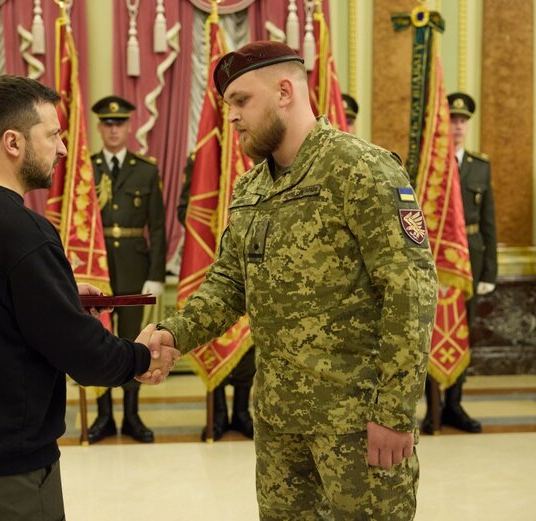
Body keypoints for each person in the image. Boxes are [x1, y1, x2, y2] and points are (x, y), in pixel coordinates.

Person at [150, 41, 438, 519]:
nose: (233, 117)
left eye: (242, 101)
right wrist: (172, 334)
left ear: (285, 90)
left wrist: (393, 412)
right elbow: (228, 284)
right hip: (280, 421)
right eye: (229, 106)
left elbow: (410, 291)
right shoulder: (251, 187)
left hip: (356, 421)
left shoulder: (359, 168)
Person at [0, 75, 179, 521]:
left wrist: (59, 294)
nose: (63, 149)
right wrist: (139, 356)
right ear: (13, 142)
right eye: (52, 135)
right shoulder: (23, 231)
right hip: (4, 462)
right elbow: (85, 356)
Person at [86, 95, 167, 444]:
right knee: (98, 340)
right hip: (98, 269)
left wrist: (156, 274)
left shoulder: (145, 169)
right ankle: (104, 415)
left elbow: (159, 227)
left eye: (119, 123)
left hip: (135, 266)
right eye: (107, 123)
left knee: (137, 342)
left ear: (129, 126)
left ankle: (132, 414)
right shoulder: (86, 170)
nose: (113, 129)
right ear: (100, 127)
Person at [421, 92, 497, 435]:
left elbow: (489, 220)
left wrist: (489, 272)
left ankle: (455, 404)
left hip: (471, 261)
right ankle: (433, 407)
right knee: (430, 334)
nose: (457, 126)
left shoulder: (480, 165)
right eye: (452, 119)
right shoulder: (428, 168)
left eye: (463, 120)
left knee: (463, 334)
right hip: (437, 261)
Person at [178, 154, 255, 441]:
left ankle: (242, 412)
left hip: (251, 258)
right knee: (212, 333)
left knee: (249, 344)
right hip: (209, 256)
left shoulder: (265, 153)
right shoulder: (203, 153)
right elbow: (187, 208)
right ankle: (219, 412)